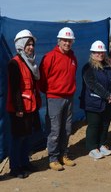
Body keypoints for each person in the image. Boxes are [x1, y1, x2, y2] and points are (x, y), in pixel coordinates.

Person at [39, 27, 77, 171]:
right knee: (54, 129)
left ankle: (63, 155)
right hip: (54, 98)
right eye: (64, 41)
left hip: (69, 97)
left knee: (67, 129)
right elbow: (42, 80)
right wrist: (51, 92)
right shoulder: (50, 57)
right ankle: (53, 158)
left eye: (69, 41)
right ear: (59, 41)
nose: (67, 43)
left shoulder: (72, 57)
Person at [6, 30, 41, 178]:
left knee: (27, 137)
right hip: (19, 109)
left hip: (30, 106)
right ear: (21, 46)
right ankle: (15, 168)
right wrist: (19, 109)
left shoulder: (30, 62)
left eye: (32, 44)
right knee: (18, 138)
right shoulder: (15, 63)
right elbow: (14, 89)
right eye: (28, 45)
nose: (31, 47)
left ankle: (25, 163)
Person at [80, 41, 111, 159]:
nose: (100, 54)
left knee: (105, 124)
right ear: (92, 53)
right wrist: (107, 95)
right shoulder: (88, 67)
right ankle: (92, 147)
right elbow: (93, 84)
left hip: (108, 102)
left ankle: (102, 144)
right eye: (97, 52)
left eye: (101, 52)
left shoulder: (108, 66)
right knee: (94, 125)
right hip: (93, 103)